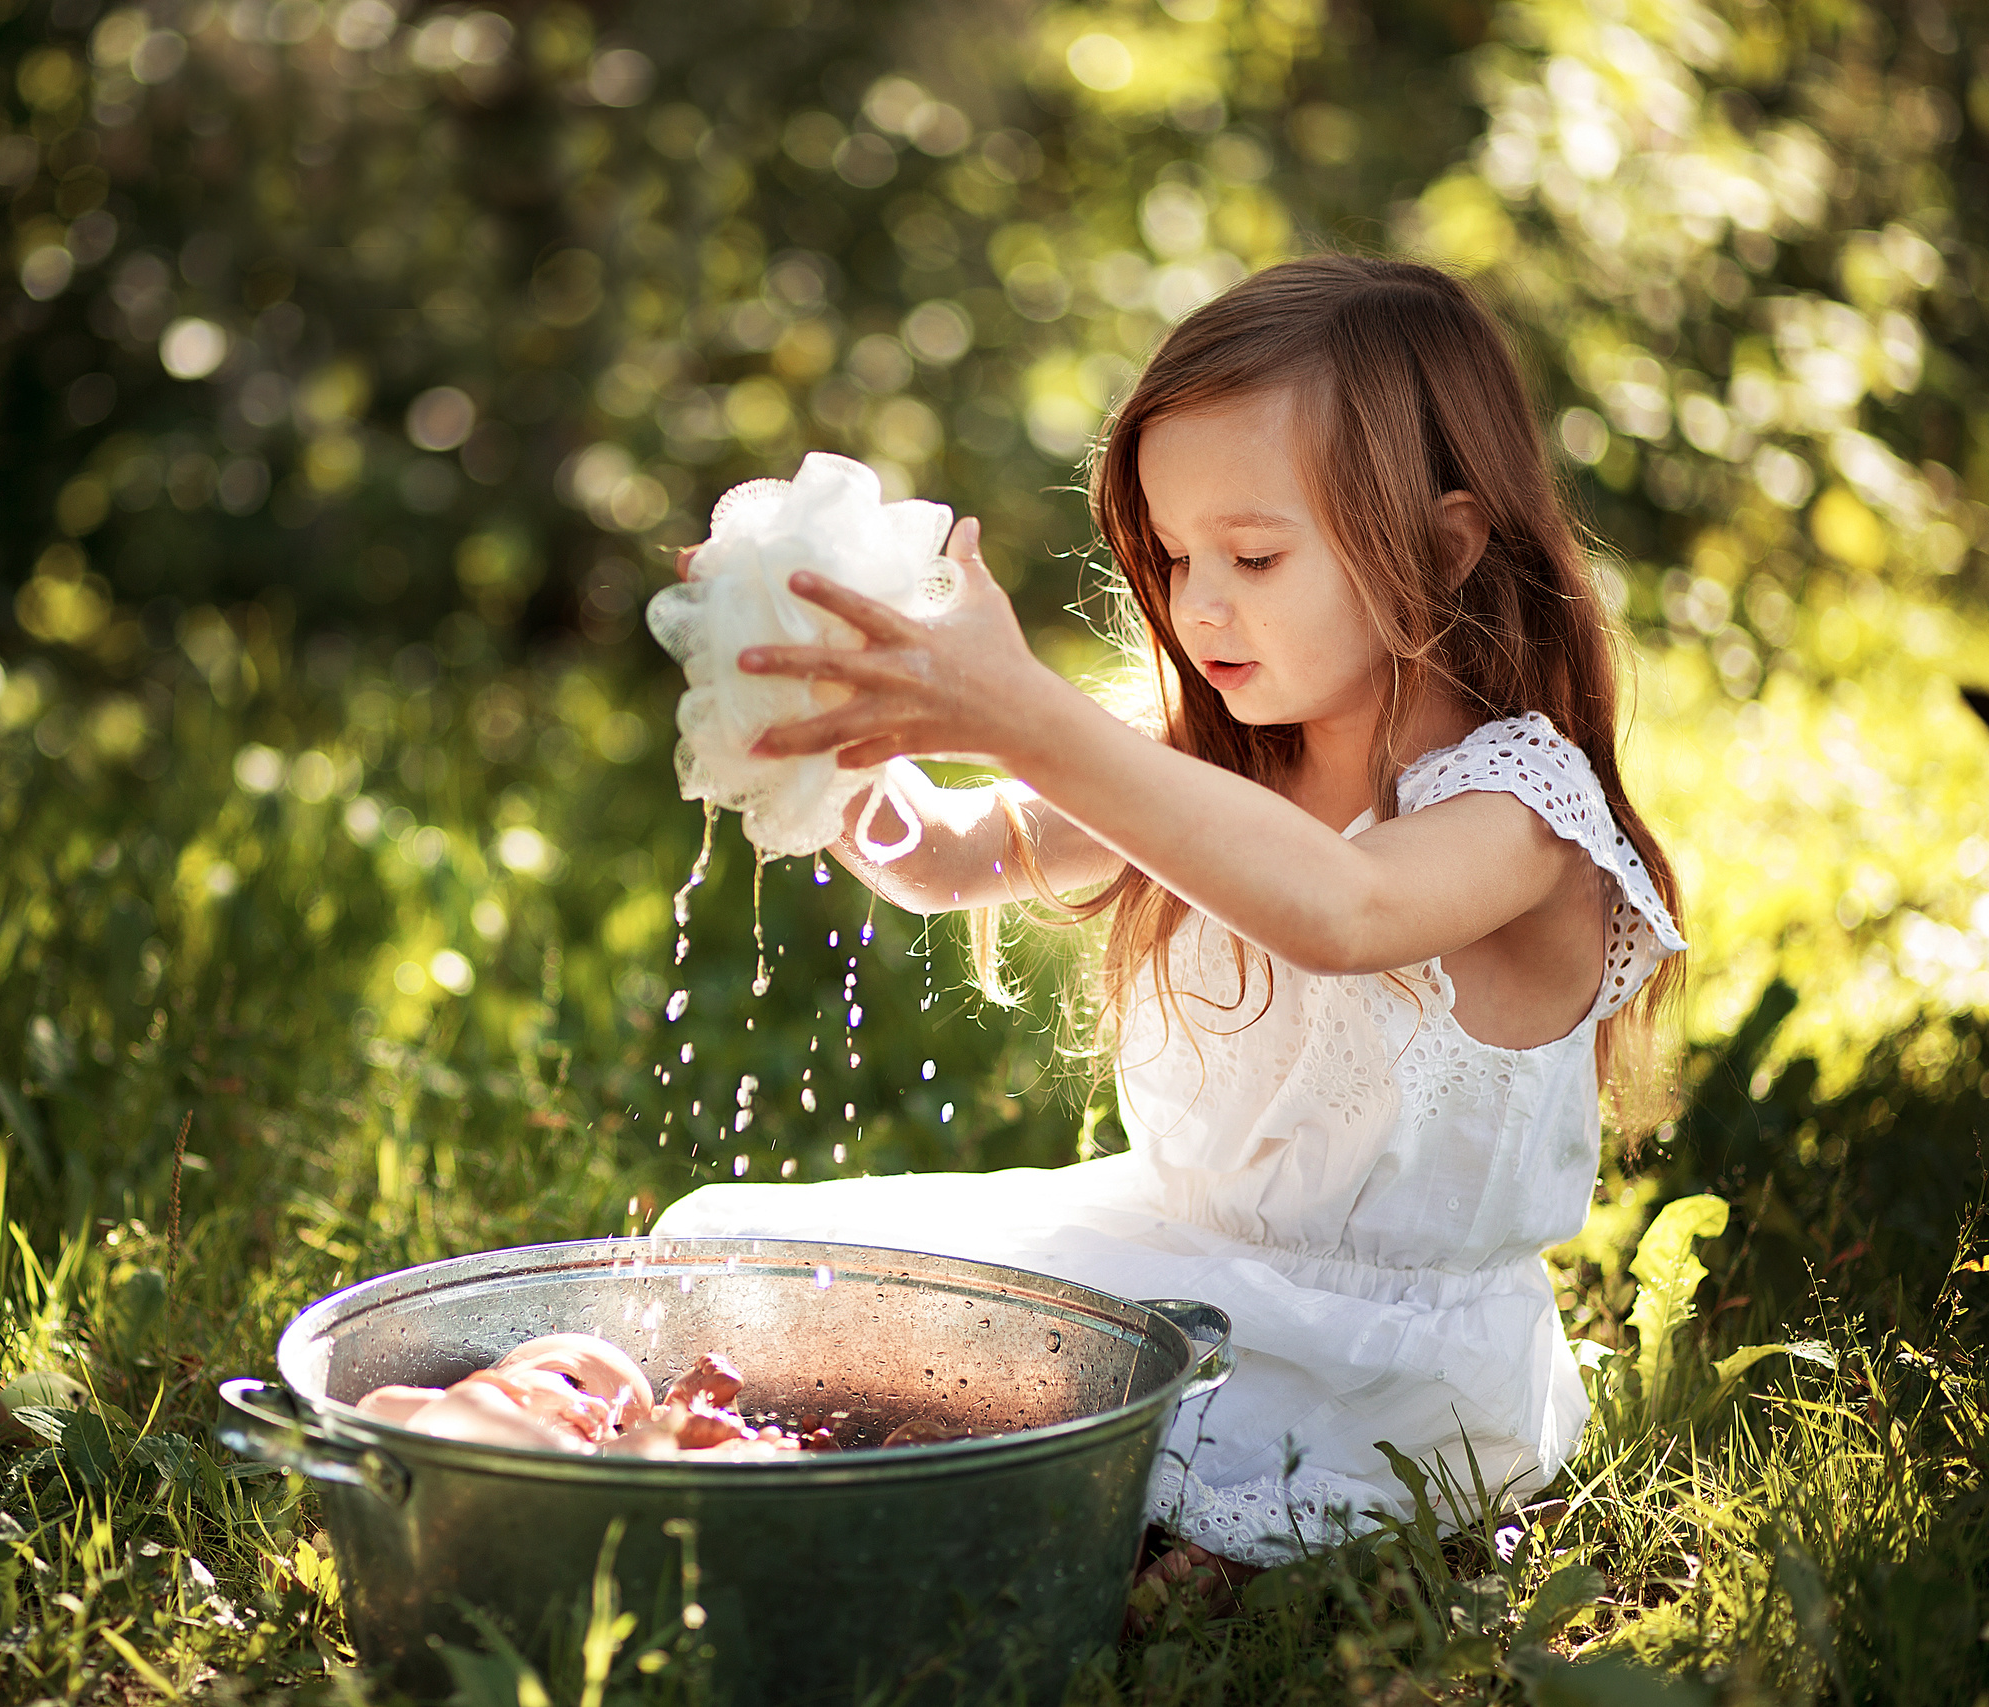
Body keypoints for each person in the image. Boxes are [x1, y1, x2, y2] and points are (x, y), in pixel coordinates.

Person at [652, 254, 1687, 1591]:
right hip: (1170, 1265)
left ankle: (1224, 1544)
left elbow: (1340, 908)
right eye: (1177, 553)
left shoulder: (1520, 805)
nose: (1199, 604)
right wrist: (826, 737)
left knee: (1083, 1502)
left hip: (1389, 1359)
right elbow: (952, 860)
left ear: (1440, 546)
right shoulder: (1211, 765)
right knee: (716, 1262)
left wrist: (1030, 717)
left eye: (1254, 555)